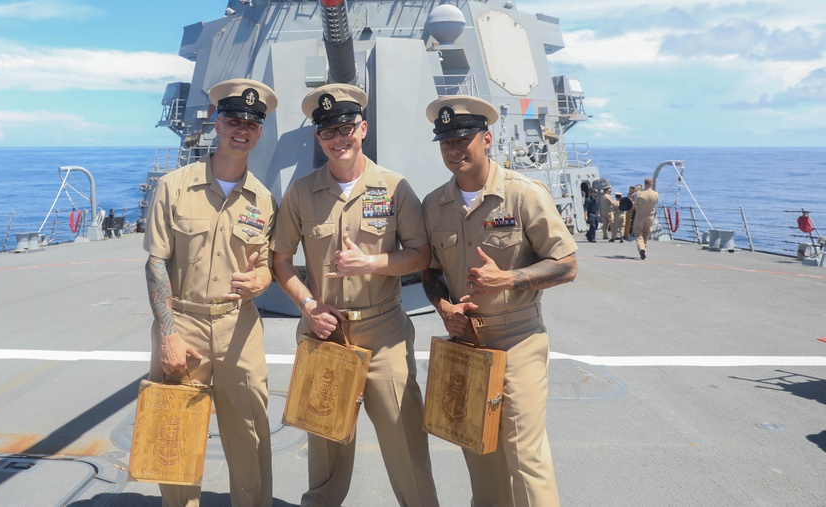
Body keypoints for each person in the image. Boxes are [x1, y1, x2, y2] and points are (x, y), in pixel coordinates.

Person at [271, 83, 439, 507]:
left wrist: (373, 265)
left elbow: (421, 255)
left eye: (346, 127)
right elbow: (281, 261)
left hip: (384, 333)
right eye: (328, 132)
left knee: (405, 446)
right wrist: (308, 306)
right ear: (318, 138)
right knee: (325, 454)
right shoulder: (301, 193)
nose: (338, 139)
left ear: (362, 128)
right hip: (325, 335)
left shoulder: (396, 189)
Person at [419, 95, 578, 507]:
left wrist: (508, 277)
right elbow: (431, 271)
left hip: (520, 337)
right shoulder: (433, 206)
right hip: (469, 342)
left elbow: (566, 264)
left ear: (486, 139)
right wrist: (444, 308)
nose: (454, 150)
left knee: (524, 454)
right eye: (446, 142)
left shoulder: (523, 194)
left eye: (463, 139)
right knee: (479, 451)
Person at [142, 79, 278, 507]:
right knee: (175, 432)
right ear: (217, 123)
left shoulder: (262, 199)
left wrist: (263, 279)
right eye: (234, 120)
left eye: (252, 124)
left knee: (251, 431)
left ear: (259, 132)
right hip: (183, 322)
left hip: (239, 325)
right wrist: (168, 334)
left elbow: (265, 263)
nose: (243, 130)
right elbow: (156, 262)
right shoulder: (174, 186)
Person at [633, 177, 660, 260]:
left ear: (644, 184)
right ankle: (644, 249)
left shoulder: (638, 194)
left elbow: (635, 204)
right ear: (651, 184)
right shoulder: (656, 194)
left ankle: (642, 248)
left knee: (638, 234)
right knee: (646, 234)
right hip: (650, 217)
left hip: (640, 217)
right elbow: (655, 203)